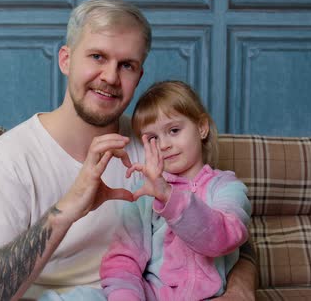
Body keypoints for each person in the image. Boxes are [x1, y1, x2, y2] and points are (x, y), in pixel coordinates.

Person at [0, 0, 256, 301]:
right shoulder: (9, 159)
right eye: (97, 57)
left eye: (126, 65)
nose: (111, 77)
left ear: (138, 76)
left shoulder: (156, 145)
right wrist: (66, 210)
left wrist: (240, 290)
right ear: (66, 60)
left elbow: (229, 239)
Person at [100, 81, 251, 300]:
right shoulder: (143, 192)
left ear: (202, 127)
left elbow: (223, 237)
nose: (163, 145)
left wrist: (168, 195)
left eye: (174, 130)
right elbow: (123, 260)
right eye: (152, 138)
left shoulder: (227, 188)